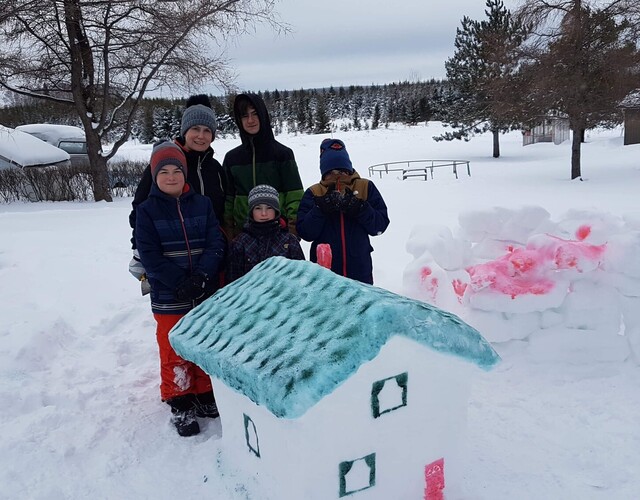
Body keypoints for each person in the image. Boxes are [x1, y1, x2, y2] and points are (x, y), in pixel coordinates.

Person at [135, 141, 226, 437]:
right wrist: (178, 282)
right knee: (174, 348)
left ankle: (204, 391)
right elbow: (149, 255)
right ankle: (180, 399)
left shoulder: (202, 204)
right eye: (164, 171)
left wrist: (201, 276)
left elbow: (216, 242)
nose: (171, 176)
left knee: (203, 342)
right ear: (155, 175)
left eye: (177, 170)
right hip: (168, 296)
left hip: (203, 291)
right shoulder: (146, 212)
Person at [129, 95, 227, 286]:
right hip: (171, 259)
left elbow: (221, 212)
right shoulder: (166, 165)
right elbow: (140, 211)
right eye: (195, 129)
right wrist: (140, 251)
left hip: (209, 260)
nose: (201, 136)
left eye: (207, 131)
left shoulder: (215, 168)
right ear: (184, 131)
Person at [296, 138, 390, 285]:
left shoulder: (365, 186)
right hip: (324, 274)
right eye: (331, 172)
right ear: (324, 172)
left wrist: (360, 208)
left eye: (342, 171)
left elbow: (379, 225)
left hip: (360, 271)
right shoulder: (314, 192)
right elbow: (305, 232)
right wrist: (321, 209)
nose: (337, 176)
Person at [222, 93, 304, 239]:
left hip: (279, 237)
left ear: (263, 115)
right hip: (243, 239)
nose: (251, 120)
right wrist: (230, 236)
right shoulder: (232, 159)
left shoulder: (282, 154)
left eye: (255, 114)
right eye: (245, 116)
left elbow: (295, 198)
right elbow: (228, 203)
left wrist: (292, 234)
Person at [227, 184, 305, 282]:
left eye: (269, 208)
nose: (264, 213)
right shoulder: (240, 243)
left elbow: (302, 278)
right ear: (251, 211)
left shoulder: (289, 241)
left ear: (276, 210)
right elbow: (233, 282)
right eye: (258, 208)